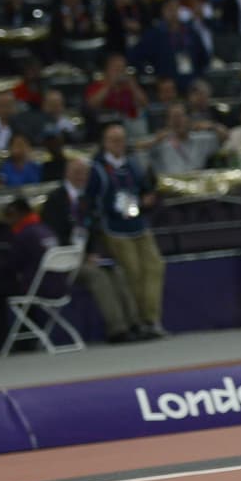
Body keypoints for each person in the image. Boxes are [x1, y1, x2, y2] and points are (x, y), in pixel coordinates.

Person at [41, 158, 149, 343]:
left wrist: (91, 253)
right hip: (62, 261)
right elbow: (53, 233)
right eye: (77, 172)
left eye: (84, 173)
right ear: (67, 173)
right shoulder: (55, 199)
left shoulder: (88, 199)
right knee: (96, 276)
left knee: (115, 271)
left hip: (85, 257)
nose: (81, 177)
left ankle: (135, 324)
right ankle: (117, 329)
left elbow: (90, 229)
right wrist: (77, 255)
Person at [85, 124, 168, 337]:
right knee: (133, 273)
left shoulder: (132, 164)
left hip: (138, 224)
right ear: (105, 143)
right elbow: (91, 202)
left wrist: (147, 198)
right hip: (115, 229)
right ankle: (138, 320)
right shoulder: (98, 169)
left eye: (121, 139)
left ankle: (152, 318)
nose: (118, 144)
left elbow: (144, 190)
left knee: (155, 267)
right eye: (113, 140)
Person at [0, 198, 62, 353]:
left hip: (39, 289)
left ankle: (0, 343)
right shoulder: (46, 230)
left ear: (17, 214)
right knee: (23, 288)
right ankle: (28, 341)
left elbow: (11, 266)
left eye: (9, 216)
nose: (8, 221)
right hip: (59, 287)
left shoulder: (24, 234)